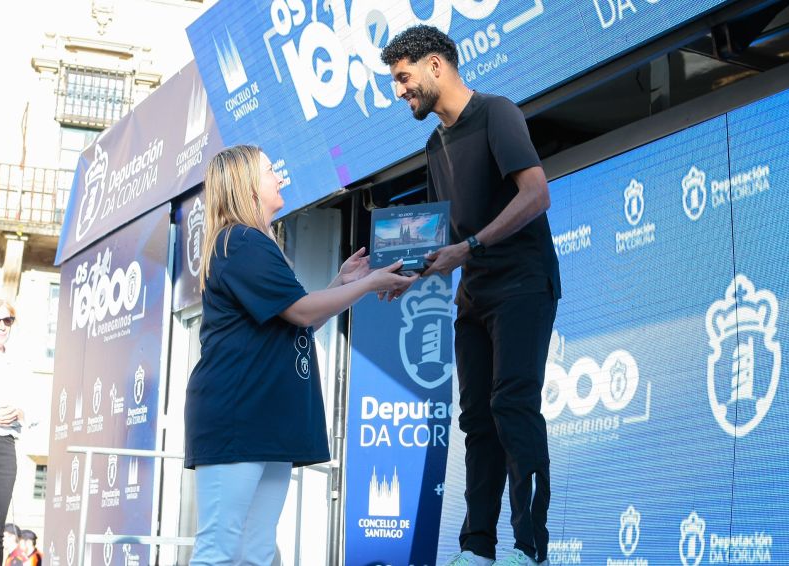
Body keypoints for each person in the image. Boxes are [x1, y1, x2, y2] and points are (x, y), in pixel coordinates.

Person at [184, 145, 417, 566]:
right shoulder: (241, 240)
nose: (280, 176)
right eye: (271, 170)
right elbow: (301, 311)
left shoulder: (251, 243)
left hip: (263, 420)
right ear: (246, 186)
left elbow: (297, 324)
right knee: (220, 548)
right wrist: (365, 285)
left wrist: (339, 282)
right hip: (239, 418)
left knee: (255, 550)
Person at [381, 25, 560, 566]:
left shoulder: (497, 112)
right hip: (473, 296)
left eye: (404, 77)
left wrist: (472, 245)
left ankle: (529, 548)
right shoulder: (432, 145)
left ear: (436, 66)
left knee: (512, 405)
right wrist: (403, 272)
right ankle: (476, 548)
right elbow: (444, 243)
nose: (399, 91)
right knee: (476, 420)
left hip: (524, 284)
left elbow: (537, 194)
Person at [0, 300, 25, 566]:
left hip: (5, 448)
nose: (1, 326)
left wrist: (21, 412)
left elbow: (33, 408)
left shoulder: (19, 361)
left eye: (7, 320)